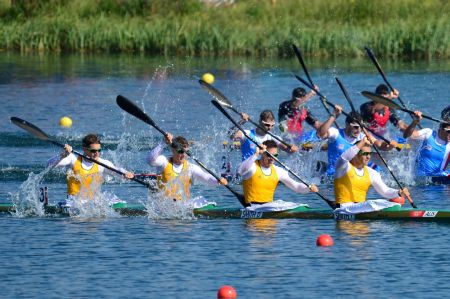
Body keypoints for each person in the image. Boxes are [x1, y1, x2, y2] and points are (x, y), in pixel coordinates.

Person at [47, 133, 134, 205]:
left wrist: (126, 173)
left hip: (95, 201)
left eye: (99, 150)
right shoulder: (73, 159)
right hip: (75, 202)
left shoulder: (103, 163)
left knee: (120, 203)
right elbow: (49, 165)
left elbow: (117, 170)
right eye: (93, 151)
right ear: (84, 149)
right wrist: (63, 154)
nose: (97, 154)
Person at [333, 136, 410, 214]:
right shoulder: (343, 167)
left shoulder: (371, 172)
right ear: (355, 154)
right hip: (344, 208)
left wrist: (399, 192)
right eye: (365, 154)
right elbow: (345, 157)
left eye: (369, 154)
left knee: (397, 201)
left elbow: (385, 191)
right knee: (371, 203)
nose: (368, 157)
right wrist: (362, 141)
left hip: (361, 208)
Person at [147, 133, 227, 205]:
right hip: (164, 207)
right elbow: (150, 160)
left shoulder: (191, 168)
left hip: (183, 208)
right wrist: (163, 143)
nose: (183, 155)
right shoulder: (163, 162)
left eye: (186, 152)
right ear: (173, 150)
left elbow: (206, 178)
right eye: (180, 151)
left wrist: (218, 180)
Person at [316, 105, 397, 176]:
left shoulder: (363, 136)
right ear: (347, 124)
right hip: (336, 174)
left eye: (361, 127)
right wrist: (333, 116)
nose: (359, 130)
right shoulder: (336, 133)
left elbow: (380, 145)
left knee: (377, 170)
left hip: (354, 174)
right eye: (355, 127)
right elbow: (320, 133)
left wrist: (389, 146)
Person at [237, 140, 318, 209]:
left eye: (275, 155)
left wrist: (308, 188)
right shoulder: (252, 167)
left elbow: (296, 186)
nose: (272, 159)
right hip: (253, 207)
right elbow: (240, 170)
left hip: (269, 208)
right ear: (262, 154)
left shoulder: (278, 171)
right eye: (269, 155)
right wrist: (255, 154)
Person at [232, 109, 298, 161]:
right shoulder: (246, 134)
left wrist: (293, 149)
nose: (270, 128)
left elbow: (288, 150)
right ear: (260, 121)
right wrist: (242, 122)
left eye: (272, 125)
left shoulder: (273, 138)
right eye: (267, 125)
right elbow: (230, 135)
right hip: (248, 171)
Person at [402, 110, 450, 177]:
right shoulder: (428, 133)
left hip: (438, 181)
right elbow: (407, 135)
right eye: (449, 131)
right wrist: (415, 122)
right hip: (418, 181)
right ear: (441, 128)